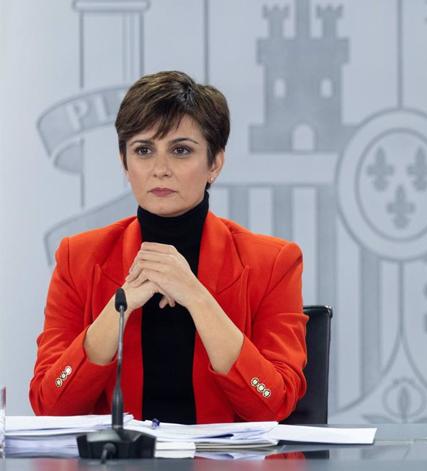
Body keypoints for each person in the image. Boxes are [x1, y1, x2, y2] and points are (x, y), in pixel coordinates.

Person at [30, 71, 307, 423]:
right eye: (143, 150)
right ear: (124, 163)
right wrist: (120, 306)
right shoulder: (78, 258)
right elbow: (50, 405)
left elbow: (273, 403)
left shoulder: (273, 262)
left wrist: (197, 296)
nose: (160, 169)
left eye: (180, 150)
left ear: (215, 164)